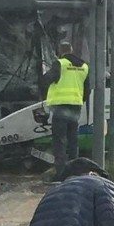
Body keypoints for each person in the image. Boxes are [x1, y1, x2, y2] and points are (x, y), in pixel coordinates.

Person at [43, 40, 91, 178]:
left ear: (60, 52)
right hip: (76, 106)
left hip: (60, 107)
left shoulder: (60, 64)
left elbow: (46, 80)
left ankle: (61, 173)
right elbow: (87, 89)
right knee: (73, 139)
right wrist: (80, 100)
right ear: (71, 50)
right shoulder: (84, 66)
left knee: (60, 140)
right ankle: (74, 171)